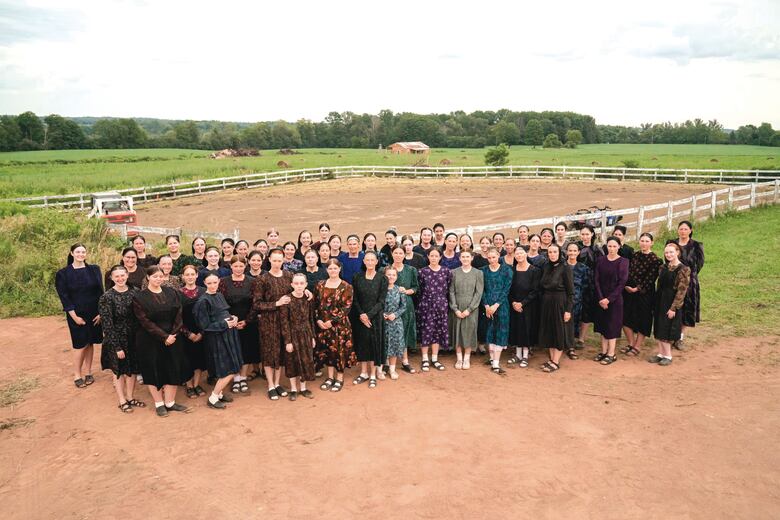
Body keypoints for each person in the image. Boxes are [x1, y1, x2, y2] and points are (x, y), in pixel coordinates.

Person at [133, 265, 193, 417]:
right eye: (154, 277)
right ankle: (159, 403)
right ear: (148, 278)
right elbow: (144, 321)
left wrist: (172, 334)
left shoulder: (172, 292)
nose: (158, 279)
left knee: (173, 367)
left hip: (173, 338)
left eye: (160, 276)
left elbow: (179, 314)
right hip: (150, 339)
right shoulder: (139, 297)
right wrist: (163, 336)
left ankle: (170, 402)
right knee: (154, 370)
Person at [55, 243, 103, 388]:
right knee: (79, 344)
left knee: (90, 342)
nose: (81, 254)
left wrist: (101, 312)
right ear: (72, 253)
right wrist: (74, 316)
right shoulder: (63, 273)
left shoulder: (94, 270)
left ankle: (88, 372)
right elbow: (64, 297)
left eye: (83, 252)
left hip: (94, 313)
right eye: (78, 252)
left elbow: (101, 292)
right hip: (76, 314)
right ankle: (77, 374)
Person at [194, 272, 242, 409]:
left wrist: (234, 318)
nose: (213, 285)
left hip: (229, 335)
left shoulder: (220, 295)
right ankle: (213, 397)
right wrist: (225, 324)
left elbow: (224, 313)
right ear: (204, 284)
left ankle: (219, 394)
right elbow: (205, 326)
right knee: (229, 369)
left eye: (215, 282)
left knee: (231, 366)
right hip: (217, 339)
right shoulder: (203, 301)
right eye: (209, 283)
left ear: (219, 282)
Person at [99, 265, 142, 413]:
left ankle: (130, 397)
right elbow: (107, 324)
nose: (120, 278)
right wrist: (117, 347)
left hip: (133, 337)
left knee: (133, 369)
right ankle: (122, 400)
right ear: (111, 278)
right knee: (118, 370)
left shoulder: (135, 293)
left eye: (122, 275)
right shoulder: (107, 297)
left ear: (127, 275)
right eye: (116, 276)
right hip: (115, 338)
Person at [251, 248, 293, 401]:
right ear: (269, 259)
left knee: (281, 353)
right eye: (274, 260)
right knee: (269, 353)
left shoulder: (289, 276)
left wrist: (307, 292)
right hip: (268, 322)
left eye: (279, 260)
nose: (277, 263)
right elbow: (257, 304)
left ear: (283, 261)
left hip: (285, 321)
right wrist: (277, 303)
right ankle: (270, 385)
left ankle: (277, 383)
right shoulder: (262, 279)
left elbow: (297, 292)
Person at [314, 259, 355, 393]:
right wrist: (319, 320)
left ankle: (339, 378)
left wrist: (331, 322)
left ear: (339, 269)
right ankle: (330, 377)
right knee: (327, 351)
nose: (332, 271)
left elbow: (346, 308)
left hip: (339, 326)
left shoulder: (346, 286)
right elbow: (315, 305)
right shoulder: (319, 285)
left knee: (339, 351)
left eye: (335, 268)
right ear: (326, 270)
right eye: (330, 268)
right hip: (323, 325)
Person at [219, 256, 258, 394]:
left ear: (245, 266)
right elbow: (221, 303)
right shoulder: (223, 282)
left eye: (241, 266)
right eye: (235, 266)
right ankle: (235, 379)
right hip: (230, 323)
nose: (238, 269)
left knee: (246, 351)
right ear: (231, 267)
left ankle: (243, 377)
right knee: (233, 351)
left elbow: (255, 303)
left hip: (248, 322)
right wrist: (230, 320)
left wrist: (247, 321)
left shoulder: (252, 282)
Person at [351, 251, 388, 389]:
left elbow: (382, 301)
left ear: (377, 261)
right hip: (360, 317)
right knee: (362, 344)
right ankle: (363, 373)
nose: (370, 262)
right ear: (364, 261)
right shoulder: (357, 277)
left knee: (374, 345)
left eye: (373, 260)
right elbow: (355, 299)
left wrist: (369, 315)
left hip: (375, 318)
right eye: (368, 259)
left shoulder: (382, 278)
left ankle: (372, 374)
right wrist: (361, 315)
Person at [622, 233, 663, 356]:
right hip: (629, 292)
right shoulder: (634, 256)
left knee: (643, 319)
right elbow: (628, 272)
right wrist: (627, 286)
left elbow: (651, 278)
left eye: (646, 241)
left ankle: (638, 346)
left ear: (652, 243)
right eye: (642, 241)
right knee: (625, 318)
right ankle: (631, 343)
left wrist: (637, 288)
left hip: (645, 294)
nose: (644, 243)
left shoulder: (656, 260)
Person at [651, 243, 691, 366]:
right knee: (658, 326)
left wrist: (674, 307)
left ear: (677, 252)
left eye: (671, 252)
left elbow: (682, 290)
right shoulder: (663, 267)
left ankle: (668, 355)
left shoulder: (683, 269)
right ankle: (661, 354)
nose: (668, 255)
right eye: (666, 252)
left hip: (671, 302)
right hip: (660, 300)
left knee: (666, 328)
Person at [537, 244, 574, 373]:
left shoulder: (565, 268)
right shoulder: (546, 266)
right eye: (550, 252)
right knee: (549, 331)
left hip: (560, 303)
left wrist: (568, 310)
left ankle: (556, 362)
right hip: (547, 303)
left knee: (559, 331)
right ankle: (552, 359)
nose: (552, 254)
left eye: (554, 252)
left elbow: (571, 292)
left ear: (559, 253)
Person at [593, 237, 630, 365]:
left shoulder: (623, 262)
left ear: (619, 246)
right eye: (609, 246)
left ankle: (611, 353)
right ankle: (603, 352)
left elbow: (622, 283)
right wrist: (601, 298)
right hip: (601, 299)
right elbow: (596, 280)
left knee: (612, 327)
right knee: (603, 326)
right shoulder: (600, 260)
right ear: (606, 246)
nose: (612, 249)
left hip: (615, 300)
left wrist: (609, 299)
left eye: (614, 246)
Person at [280, 273, 317, 400]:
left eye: (302, 283)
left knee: (306, 360)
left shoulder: (308, 299)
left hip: (306, 334)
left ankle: (303, 388)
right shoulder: (287, 300)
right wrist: (288, 341)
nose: (299, 286)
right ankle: (293, 389)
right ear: (292, 285)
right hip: (292, 334)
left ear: (306, 284)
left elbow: (311, 318)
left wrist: (312, 336)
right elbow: (284, 322)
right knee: (292, 361)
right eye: (296, 283)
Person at [670, 220, 704, 349]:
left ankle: (680, 338)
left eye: (685, 229)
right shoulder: (671, 243)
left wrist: (688, 275)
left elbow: (700, 264)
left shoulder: (696, 245)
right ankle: (671, 334)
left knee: (686, 309)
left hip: (690, 282)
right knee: (673, 307)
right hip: (673, 280)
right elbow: (667, 258)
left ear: (690, 230)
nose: (683, 231)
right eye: (681, 229)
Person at [417, 248, 452, 371]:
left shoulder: (446, 271)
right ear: (428, 256)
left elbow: (448, 288)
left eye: (436, 256)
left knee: (437, 332)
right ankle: (425, 358)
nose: (433, 258)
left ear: (440, 257)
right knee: (426, 331)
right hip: (426, 305)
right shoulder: (422, 272)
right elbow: (419, 289)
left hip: (441, 306)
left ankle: (435, 358)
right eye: (431, 255)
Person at [448, 250, 484, 370]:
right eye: (463, 257)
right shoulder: (454, 272)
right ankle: (459, 358)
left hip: (471, 308)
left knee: (469, 332)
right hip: (457, 306)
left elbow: (478, 293)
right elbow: (451, 291)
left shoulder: (478, 273)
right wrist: (455, 308)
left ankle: (467, 358)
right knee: (457, 331)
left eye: (467, 256)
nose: (465, 258)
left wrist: (470, 309)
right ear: (459, 258)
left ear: (472, 258)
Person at [507, 247, 541, 368]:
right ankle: (517, 355)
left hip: (528, 305)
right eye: (517, 253)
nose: (519, 255)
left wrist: (522, 303)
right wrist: (514, 303)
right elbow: (509, 289)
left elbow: (535, 290)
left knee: (526, 329)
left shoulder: (534, 270)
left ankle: (525, 356)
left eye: (521, 253)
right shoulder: (512, 270)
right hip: (514, 304)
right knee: (516, 328)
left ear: (526, 254)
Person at [481, 247, 513, 375]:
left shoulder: (507, 270)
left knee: (500, 331)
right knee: (490, 330)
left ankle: (496, 363)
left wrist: (496, 305)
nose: (491, 260)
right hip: (487, 305)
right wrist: (487, 305)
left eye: (493, 257)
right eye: (489, 258)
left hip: (502, 305)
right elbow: (481, 288)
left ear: (498, 256)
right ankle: (491, 358)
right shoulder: (483, 270)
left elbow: (506, 289)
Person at [179, 265, 207, 399]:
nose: (190, 277)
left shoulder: (204, 291)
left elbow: (208, 314)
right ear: (183, 277)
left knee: (199, 360)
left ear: (197, 275)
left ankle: (196, 384)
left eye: (192, 274)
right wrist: (188, 333)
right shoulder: (178, 293)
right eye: (187, 274)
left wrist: (201, 332)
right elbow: (177, 317)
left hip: (201, 332)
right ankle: (189, 386)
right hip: (185, 333)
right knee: (187, 360)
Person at [390, 246, 419, 372]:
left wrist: (407, 291)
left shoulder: (411, 270)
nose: (398, 255)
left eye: (400, 253)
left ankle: (405, 361)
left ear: (404, 255)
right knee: (389, 332)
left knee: (405, 331)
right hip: (390, 304)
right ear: (392, 254)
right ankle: (387, 363)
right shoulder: (385, 270)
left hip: (406, 304)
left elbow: (416, 287)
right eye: (395, 253)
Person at [576, 225, 602, 347]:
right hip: (576, 280)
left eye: (587, 234)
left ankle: (581, 338)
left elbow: (600, 267)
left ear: (592, 234)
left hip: (590, 283)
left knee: (586, 310)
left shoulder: (597, 249)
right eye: (583, 234)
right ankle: (572, 335)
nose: (585, 236)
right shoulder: (576, 247)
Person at [565, 242, 590, 359]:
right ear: (566, 252)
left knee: (574, 324)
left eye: (575, 251)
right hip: (562, 300)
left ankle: (571, 348)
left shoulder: (583, 268)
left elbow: (586, 286)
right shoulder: (562, 266)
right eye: (570, 250)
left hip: (577, 301)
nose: (572, 253)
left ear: (578, 253)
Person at [382, 266, 407, 380]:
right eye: (388, 274)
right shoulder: (380, 289)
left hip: (396, 323)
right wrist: (381, 314)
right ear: (384, 275)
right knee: (383, 345)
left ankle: (392, 370)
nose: (391, 277)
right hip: (382, 322)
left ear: (396, 277)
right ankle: (383, 367)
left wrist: (395, 315)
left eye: (393, 275)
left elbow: (403, 307)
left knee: (394, 346)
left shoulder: (400, 290)